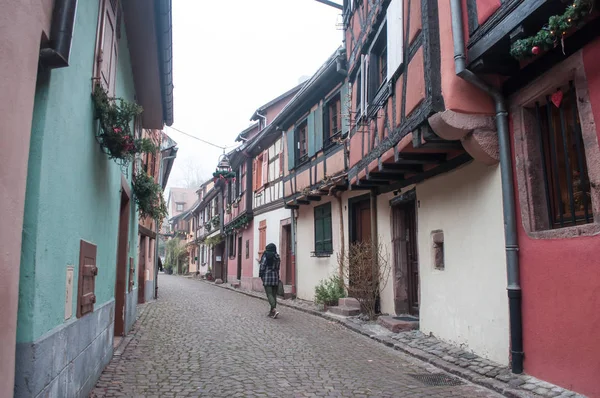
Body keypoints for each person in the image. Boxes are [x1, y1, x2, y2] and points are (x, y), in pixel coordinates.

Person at [259, 243, 281, 319]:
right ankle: (271, 312)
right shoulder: (277, 256)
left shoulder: (265, 255)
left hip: (267, 277)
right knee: (274, 295)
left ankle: (274, 309)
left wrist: (261, 274)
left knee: (269, 294)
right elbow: (278, 268)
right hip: (275, 277)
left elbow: (262, 266)